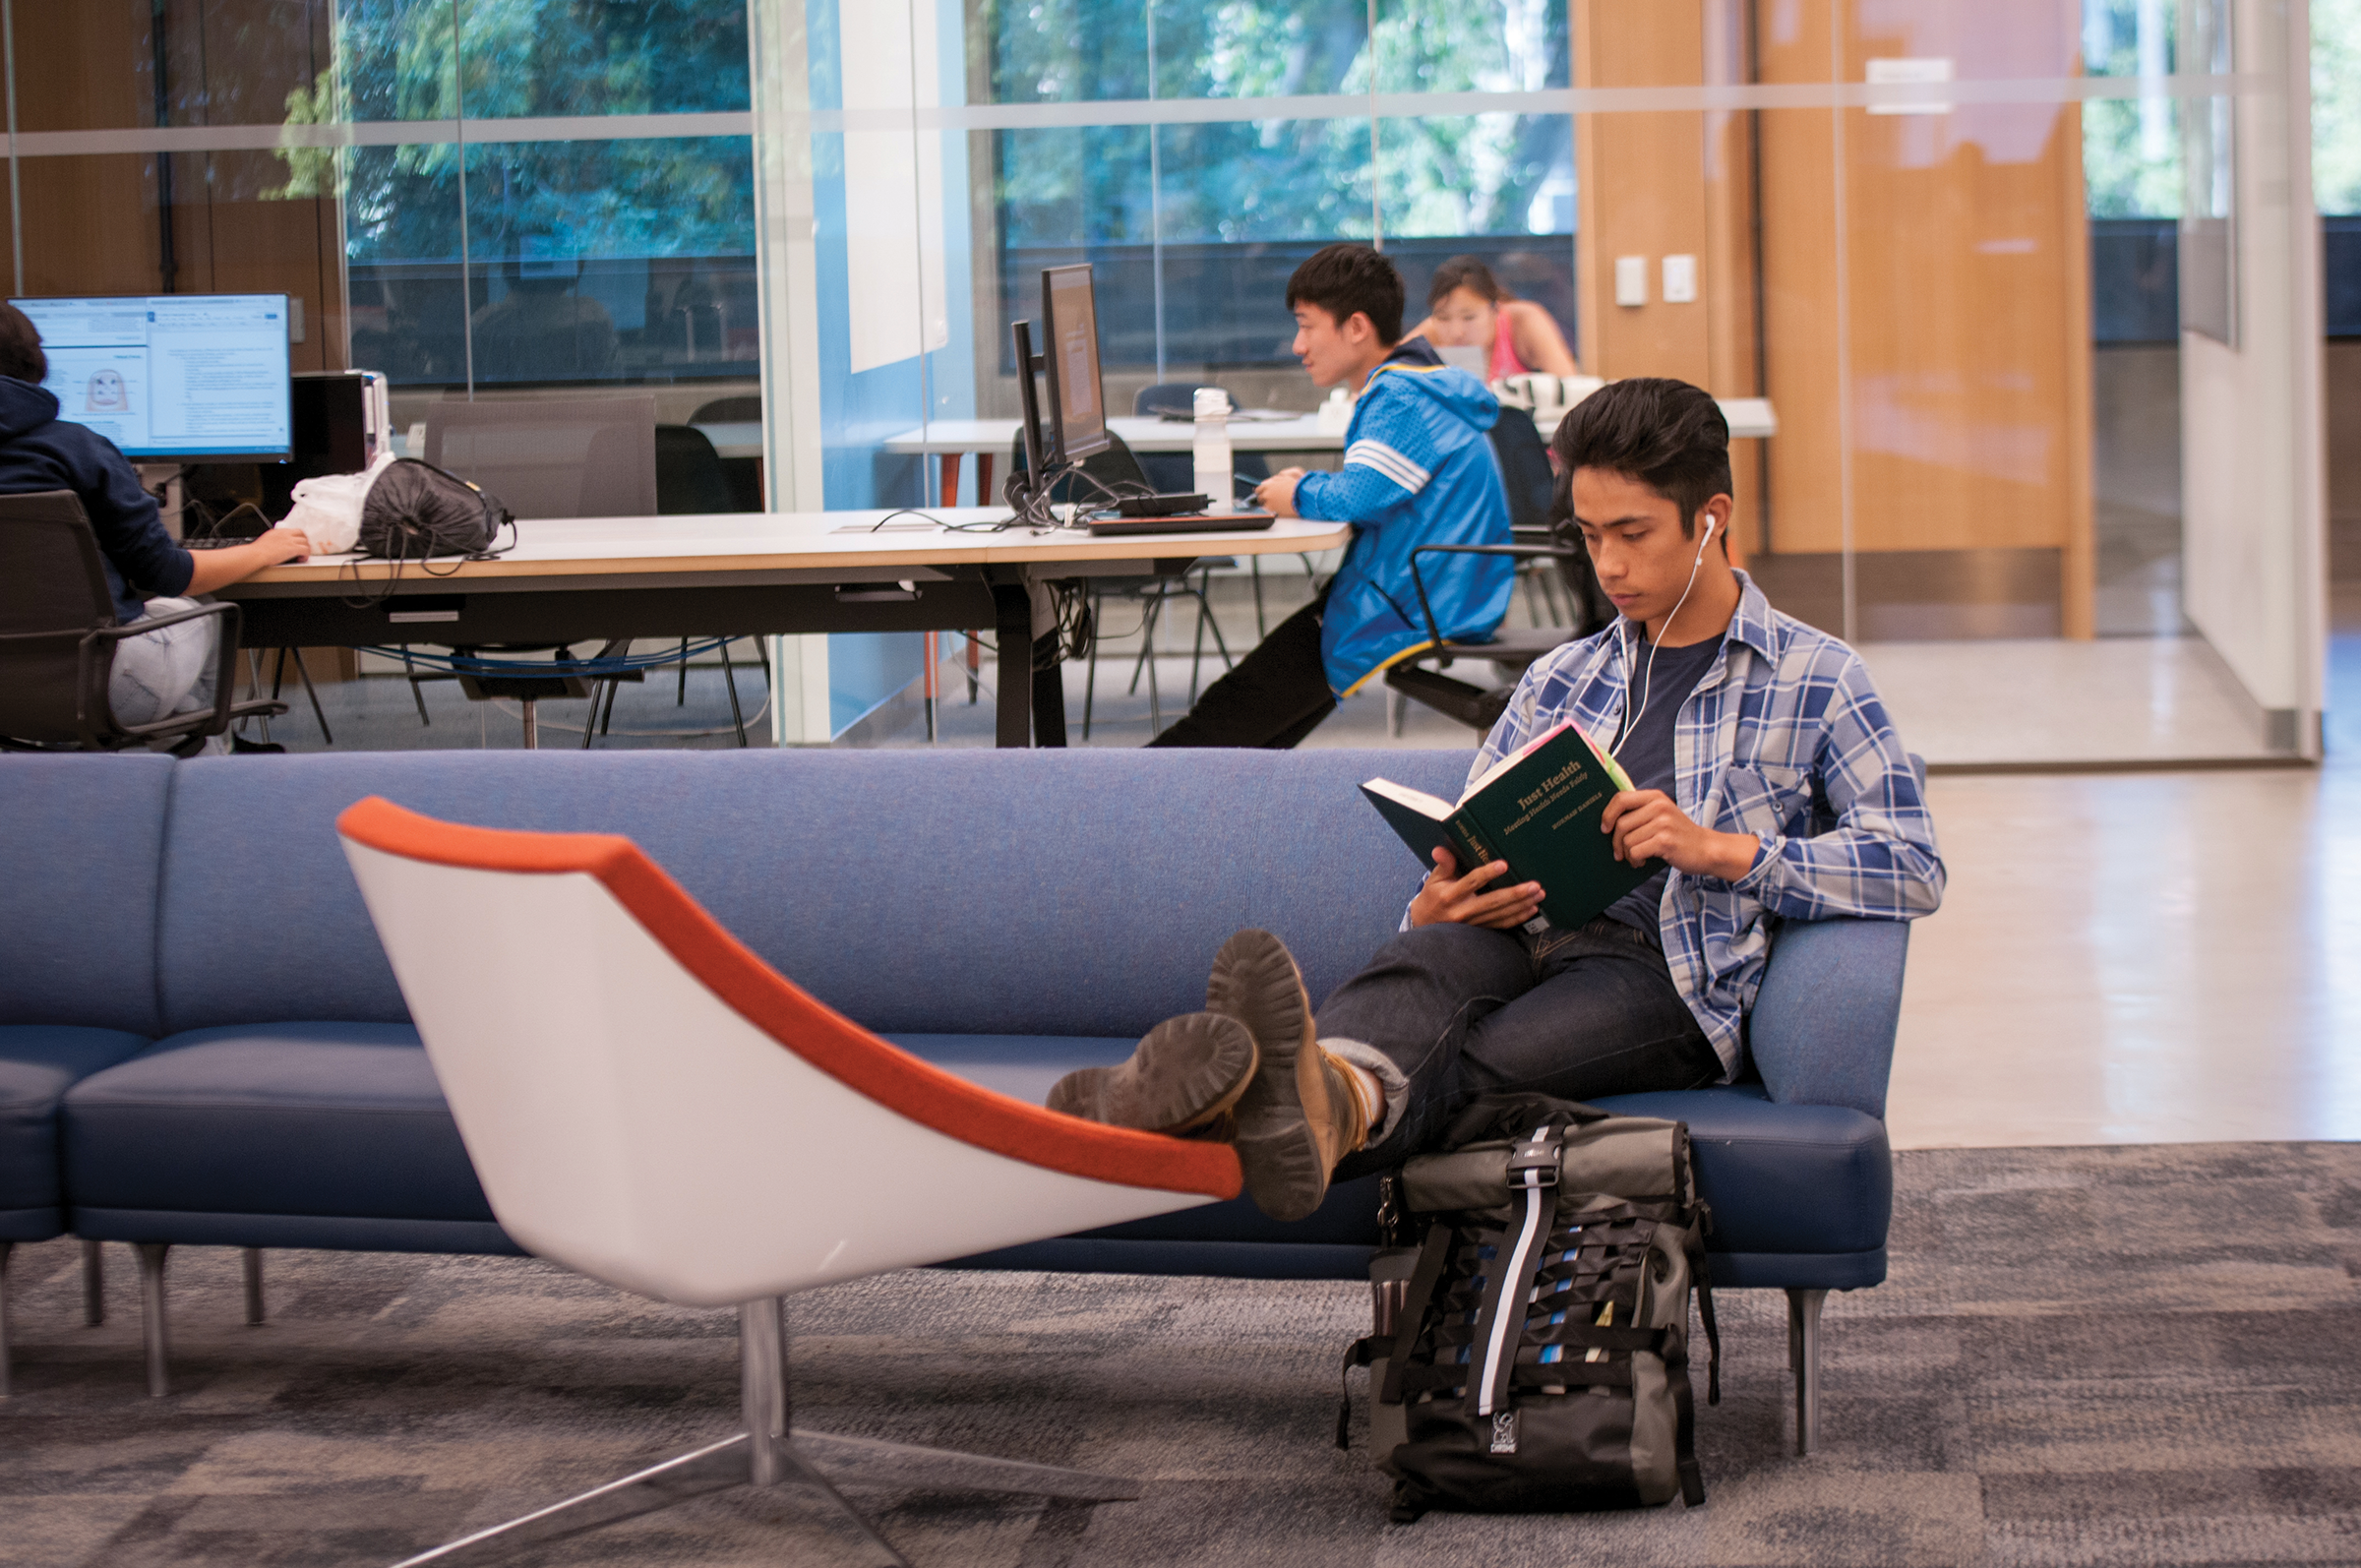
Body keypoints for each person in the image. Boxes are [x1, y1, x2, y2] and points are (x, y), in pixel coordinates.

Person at [1054, 377, 1945, 1220]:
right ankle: (1293, 1107)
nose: (1609, 565)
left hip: (1661, 974)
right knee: (1418, 965)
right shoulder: (1564, 676)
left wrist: (1721, 850)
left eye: (1633, 533)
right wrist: (1440, 899)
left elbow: (1913, 862)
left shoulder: (1818, 678)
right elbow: (1478, 825)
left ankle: (1221, 1112)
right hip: (1521, 931)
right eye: (1591, 536)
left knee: (1477, 1058)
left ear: (1710, 520)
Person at [1145, 243, 1516, 749]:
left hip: (1413, 600)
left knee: (1228, 717)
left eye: (1306, 325)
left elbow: (1361, 496)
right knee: (1252, 719)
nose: (1298, 345)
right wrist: (1307, 487)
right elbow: (1378, 486)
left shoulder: (1401, 397)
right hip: (1433, 589)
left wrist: (1300, 491)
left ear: (1357, 327)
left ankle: (1118, 808)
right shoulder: (1421, 384)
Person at [0, 302, 314, 747]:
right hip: (102, 688)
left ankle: (173, 755)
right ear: (34, 361)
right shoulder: (76, 449)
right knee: (201, 610)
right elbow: (168, 575)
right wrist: (265, 549)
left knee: (166, 701)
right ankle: (199, 762)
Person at [1405, 256, 1579, 382]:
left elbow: (1570, 386)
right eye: (1443, 317)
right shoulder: (1432, 331)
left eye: (1469, 317)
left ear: (1495, 309)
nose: (1457, 331)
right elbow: (1387, 373)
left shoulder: (1524, 321)